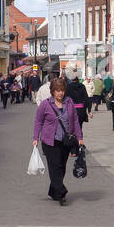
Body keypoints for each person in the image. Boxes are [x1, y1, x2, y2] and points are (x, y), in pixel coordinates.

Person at [32, 76, 82, 206]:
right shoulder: (45, 104)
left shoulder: (69, 102)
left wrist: (79, 137)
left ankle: (53, 191)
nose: (60, 93)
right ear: (52, 91)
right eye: (57, 90)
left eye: (62, 90)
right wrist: (35, 138)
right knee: (55, 168)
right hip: (50, 141)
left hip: (65, 141)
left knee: (62, 168)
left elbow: (75, 120)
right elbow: (38, 121)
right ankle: (61, 192)